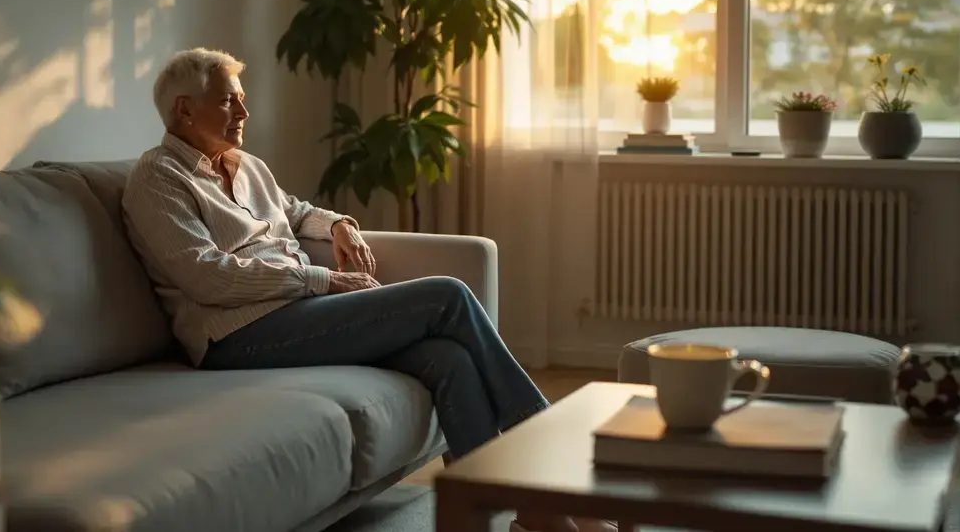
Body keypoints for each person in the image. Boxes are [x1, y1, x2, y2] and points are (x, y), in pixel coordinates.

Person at [121, 48, 615, 532]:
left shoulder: (245, 165)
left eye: (242, 98)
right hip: (235, 336)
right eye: (230, 100)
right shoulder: (158, 177)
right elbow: (207, 275)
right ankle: (561, 477)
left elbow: (293, 211)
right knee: (447, 295)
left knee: (449, 360)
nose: (245, 111)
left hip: (296, 313)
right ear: (184, 109)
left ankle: (505, 516)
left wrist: (339, 225)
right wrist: (326, 279)